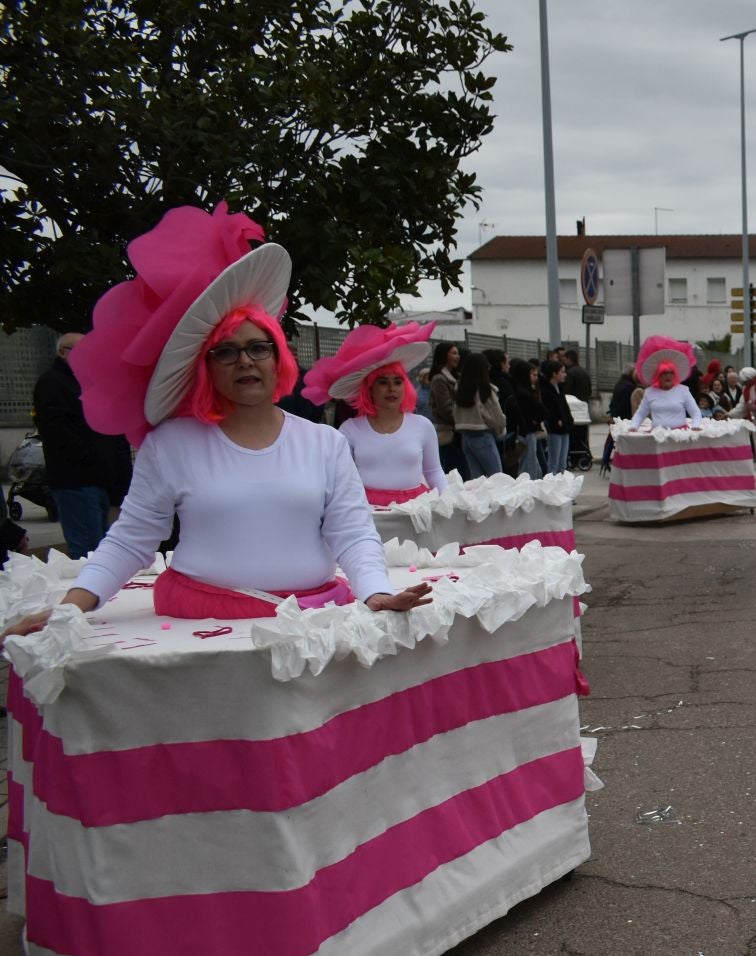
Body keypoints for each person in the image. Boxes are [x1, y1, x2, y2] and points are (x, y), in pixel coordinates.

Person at [9, 202, 432, 633]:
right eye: (226, 351)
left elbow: (353, 533)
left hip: (313, 621)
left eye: (258, 348)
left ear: (277, 359)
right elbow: (131, 538)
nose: (245, 361)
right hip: (201, 628)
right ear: (206, 366)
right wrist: (71, 607)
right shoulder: (171, 444)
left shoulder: (325, 442)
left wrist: (376, 592)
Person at [303, 321, 447, 505]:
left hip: (415, 511)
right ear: (369, 388)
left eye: (397, 381)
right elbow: (338, 478)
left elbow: (434, 471)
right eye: (382, 382)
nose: (391, 389)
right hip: (366, 511)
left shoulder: (422, 426)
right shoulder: (350, 429)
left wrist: (448, 502)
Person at [34, 331, 132, 558]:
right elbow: (58, 433)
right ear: (62, 353)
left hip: (102, 480)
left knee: (107, 547)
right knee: (88, 551)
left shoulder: (91, 382)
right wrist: (96, 459)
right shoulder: (52, 383)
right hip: (76, 480)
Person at [451, 348, 506, 477]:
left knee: (476, 478)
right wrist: (501, 430)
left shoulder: (460, 387)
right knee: (497, 477)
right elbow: (496, 416)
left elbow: (454, 412)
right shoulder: (485, 389)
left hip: (465, 437)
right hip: (483, 436)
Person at [631, 335, 702, 428]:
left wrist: (695, 426)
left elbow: (695, 412)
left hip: (680, 436)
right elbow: (640, 414)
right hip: (657, 436)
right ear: (658, 375)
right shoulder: (650, 392)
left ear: (675, 374)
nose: (668, 376)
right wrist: (633, 426)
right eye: (664, 373)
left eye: (671, 372)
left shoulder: (683, 391)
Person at [428, 340, 463, 479]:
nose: (458, 357)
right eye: (454, 353)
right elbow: (445, 408)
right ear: (444, 355)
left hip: (456, 432)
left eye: (458, 353)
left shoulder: (453, 377)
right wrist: (463, 419)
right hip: (449, 434)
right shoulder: (439, 379)